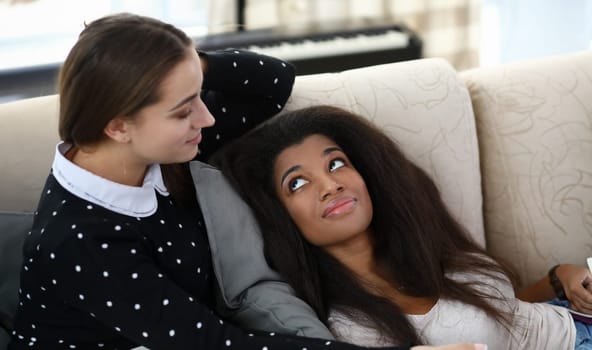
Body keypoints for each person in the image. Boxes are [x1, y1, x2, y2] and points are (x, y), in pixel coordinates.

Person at [7, 12, 480, 350]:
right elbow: (207, 341)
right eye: (183, 108)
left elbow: (274, 82)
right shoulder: (79, 241)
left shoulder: (165, 149)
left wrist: (188, 62)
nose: (207, 116)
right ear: (118, 126)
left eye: (198, 95)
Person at [212, 105, 592, 349]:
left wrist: (560, 278)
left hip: (574, 319)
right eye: (297, 182)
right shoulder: (343, 328)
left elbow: (506, 318)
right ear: (280, 216)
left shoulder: (425, 250)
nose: (331, 185)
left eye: (336, 164)